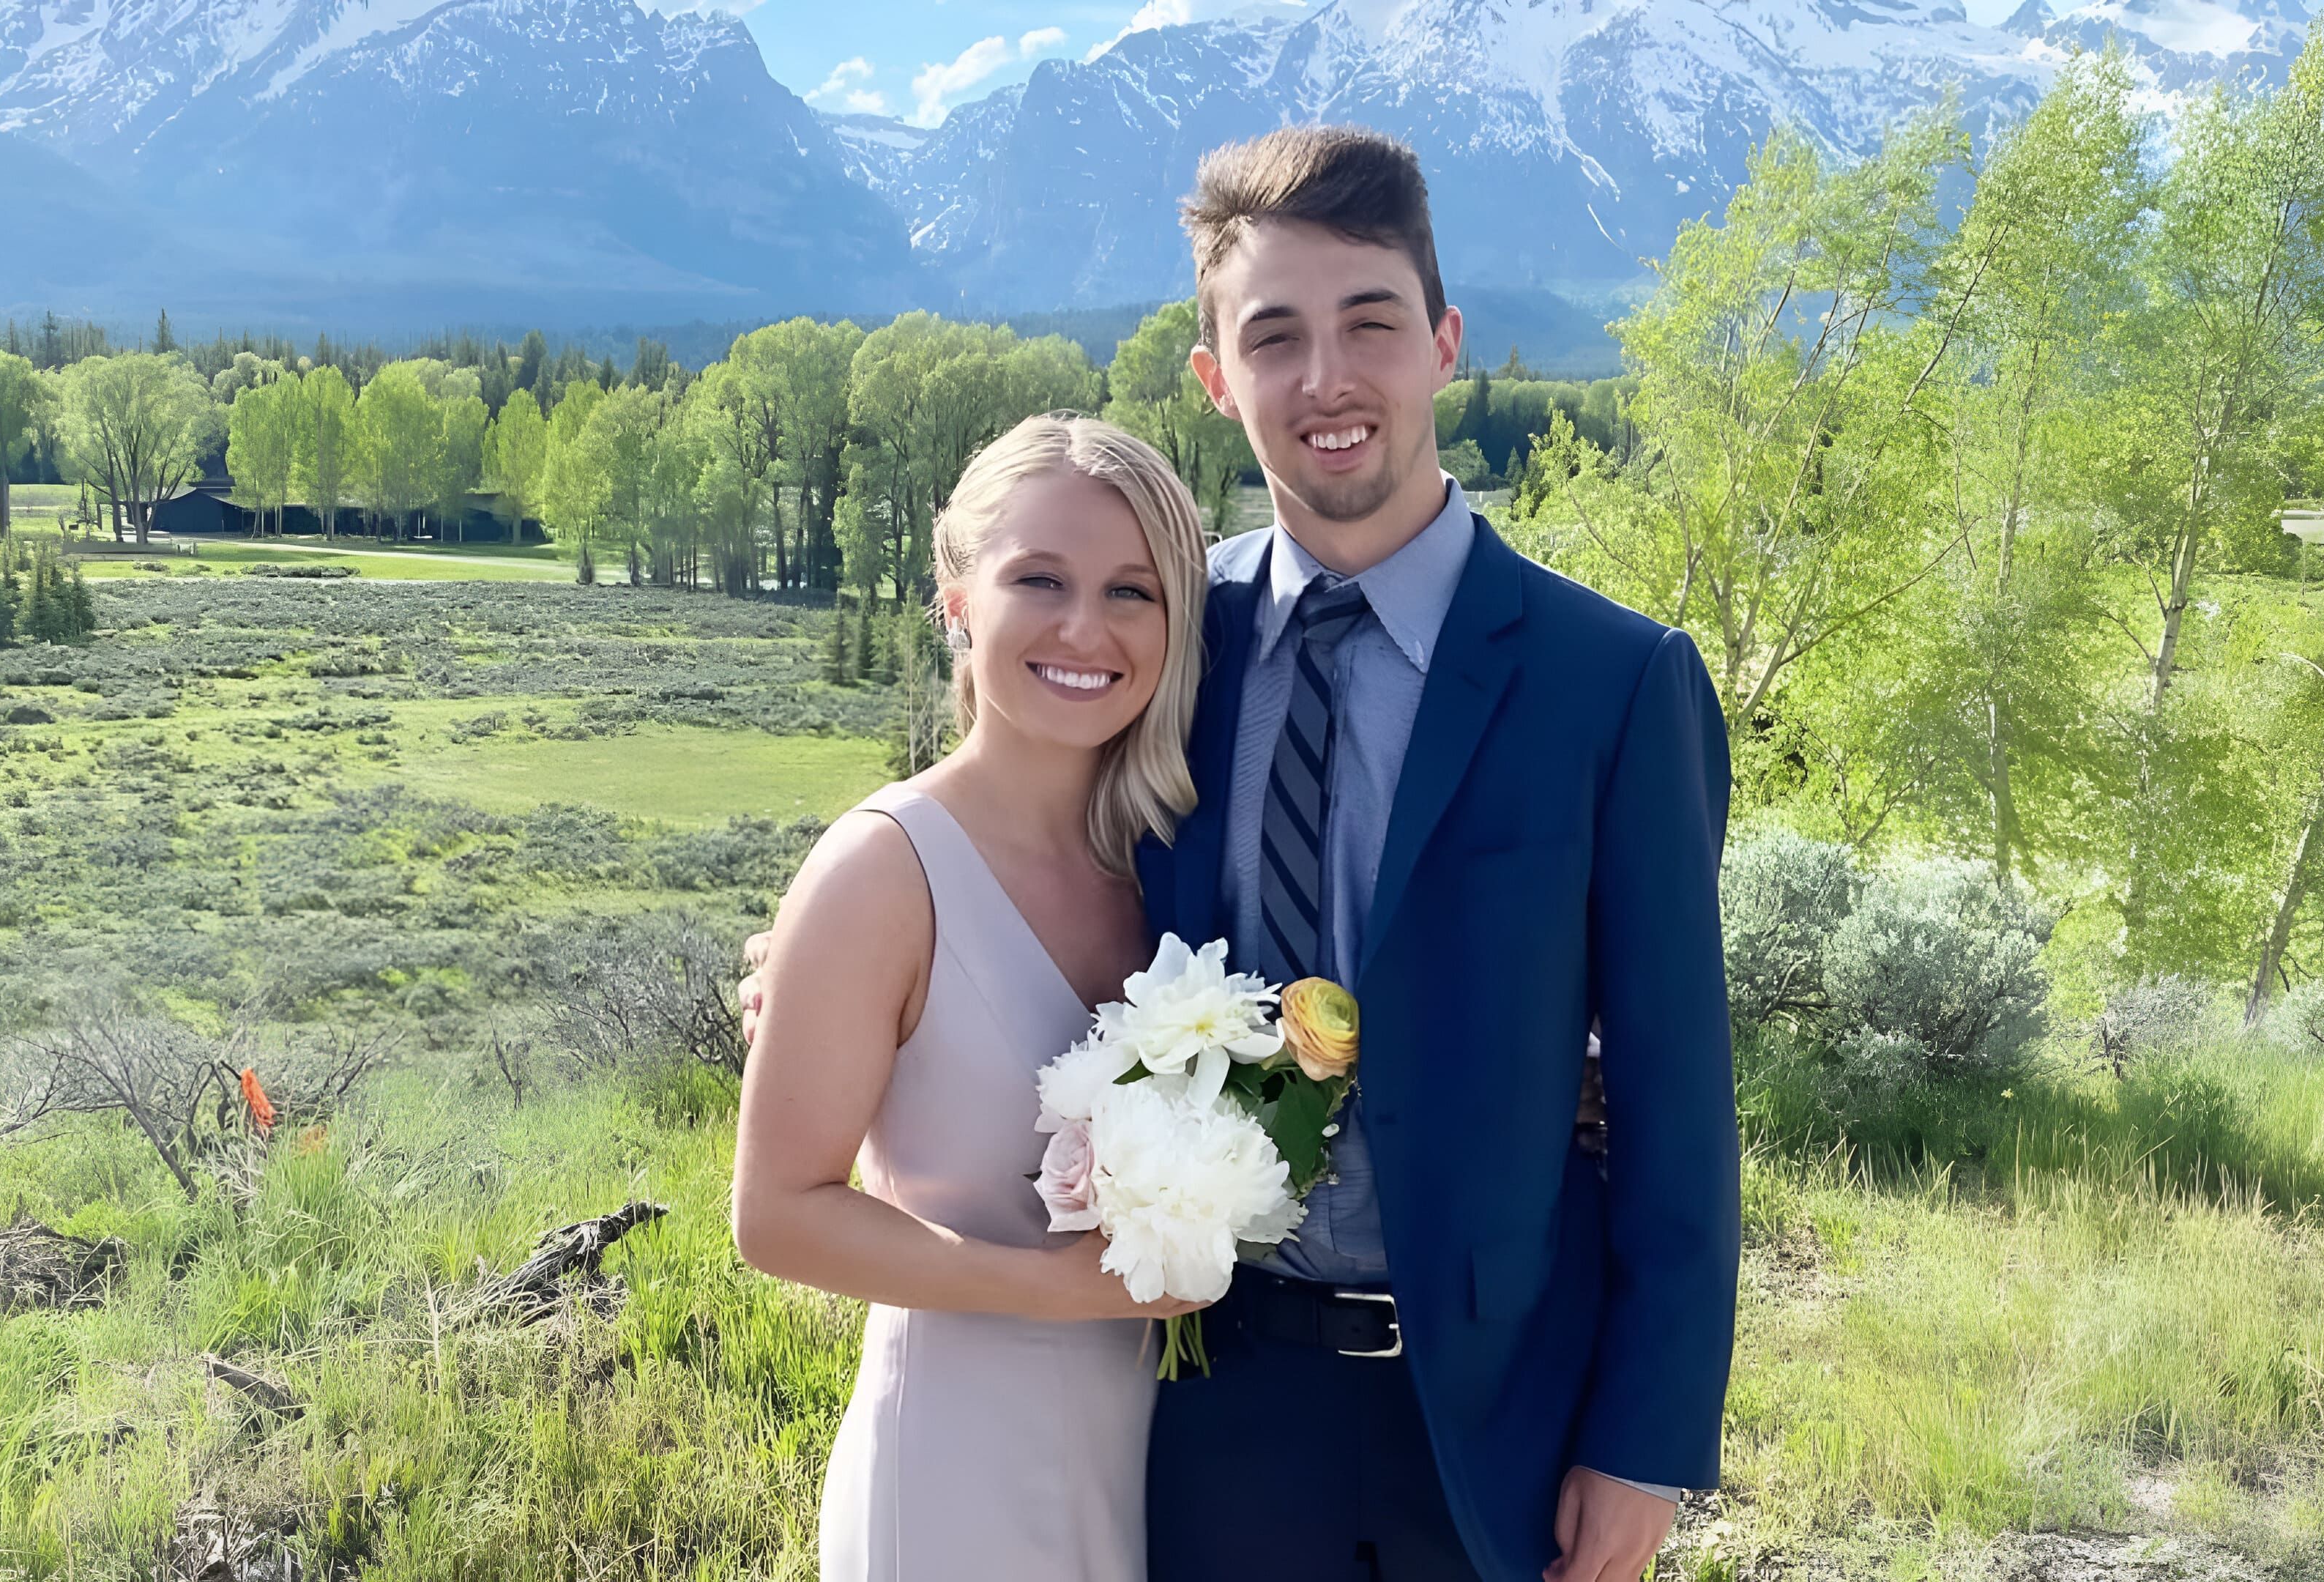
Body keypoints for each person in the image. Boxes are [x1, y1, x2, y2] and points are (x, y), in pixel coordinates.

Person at [1130, 125, 1740, 1582]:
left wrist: (1645, 1438)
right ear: (1217, 381)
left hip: (1498, 1407)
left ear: (1445, 343)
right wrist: (846, 946)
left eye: (1372, 324)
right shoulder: (1165, 643)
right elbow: (1011, 836)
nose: (1329, 380)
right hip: (1211, 1393)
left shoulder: (1614, 681)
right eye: (1274, 336)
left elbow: (1675, 1090)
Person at [727, 412, 1215, 1582]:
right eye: (1038, 578)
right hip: (959, 1466)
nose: (1084, 628)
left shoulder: (1176, 862)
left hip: (1164, 1460)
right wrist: (1053, 1290)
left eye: (1133, 592)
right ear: (956, 599)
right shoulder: (882, 870)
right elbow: (777, 1213)